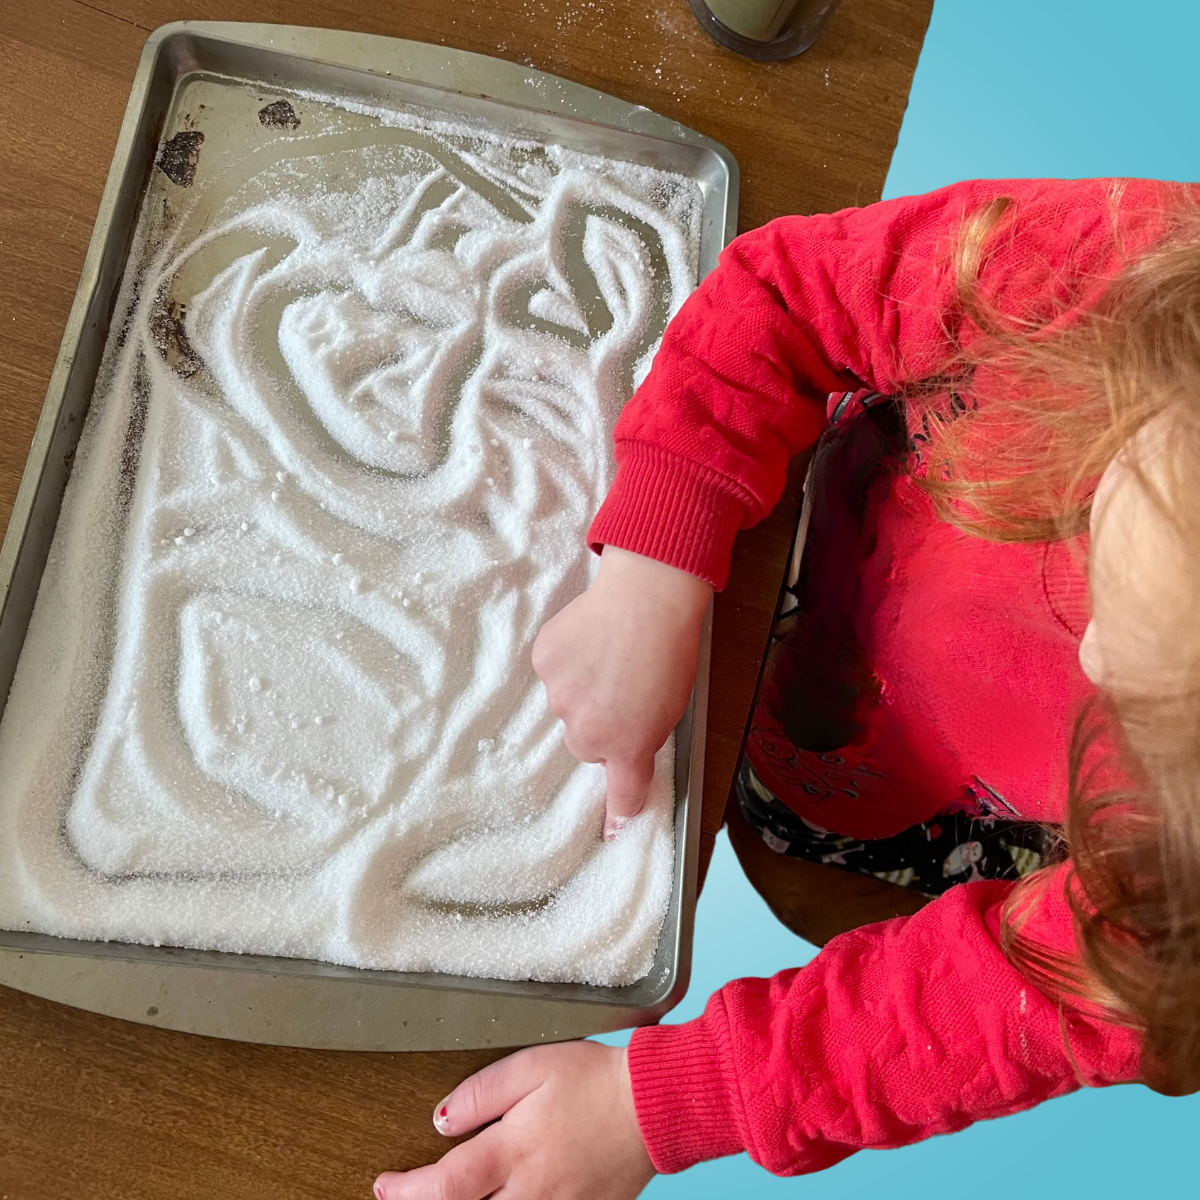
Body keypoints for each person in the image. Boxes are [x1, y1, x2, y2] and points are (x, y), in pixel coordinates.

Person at [372, 177, 1200, 1200]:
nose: (1096, 662)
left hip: (904, 799)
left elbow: (997, 1007)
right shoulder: (1127, 273)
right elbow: (792, 293)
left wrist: (657, 1105)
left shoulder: (1171, 910)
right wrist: (656, 563)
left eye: (1153, 714)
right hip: (792, 528)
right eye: (1106, 562)